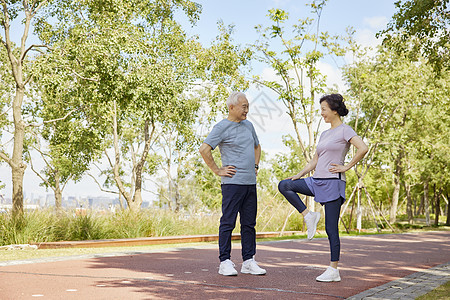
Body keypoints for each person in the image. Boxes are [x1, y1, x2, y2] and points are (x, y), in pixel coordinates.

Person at [278, 93, 368, 282]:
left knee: (331, 228)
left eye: (324, 109)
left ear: (334, 110)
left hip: (333, 182)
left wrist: (346, 167)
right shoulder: (325, 134)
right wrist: (300, 174)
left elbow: (363, 148)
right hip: (316, 180)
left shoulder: (345, 130)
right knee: (285, 185)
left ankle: (333, 269)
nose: (322, 113)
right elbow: (315, 160)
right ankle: (308, 215)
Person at [199, 91, 266, 276]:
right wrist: (217, 170)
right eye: (244, 107)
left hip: (249, 183)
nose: (247, 110)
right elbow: (204, 149)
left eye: (248, 107)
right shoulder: (221, 127)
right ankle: (225, 261)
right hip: (232, 184)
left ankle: (248, 261)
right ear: (232, 107)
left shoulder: (249, 125)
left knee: (249, 224)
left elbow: (257, 146)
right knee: (228, 222)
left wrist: (255, 165)